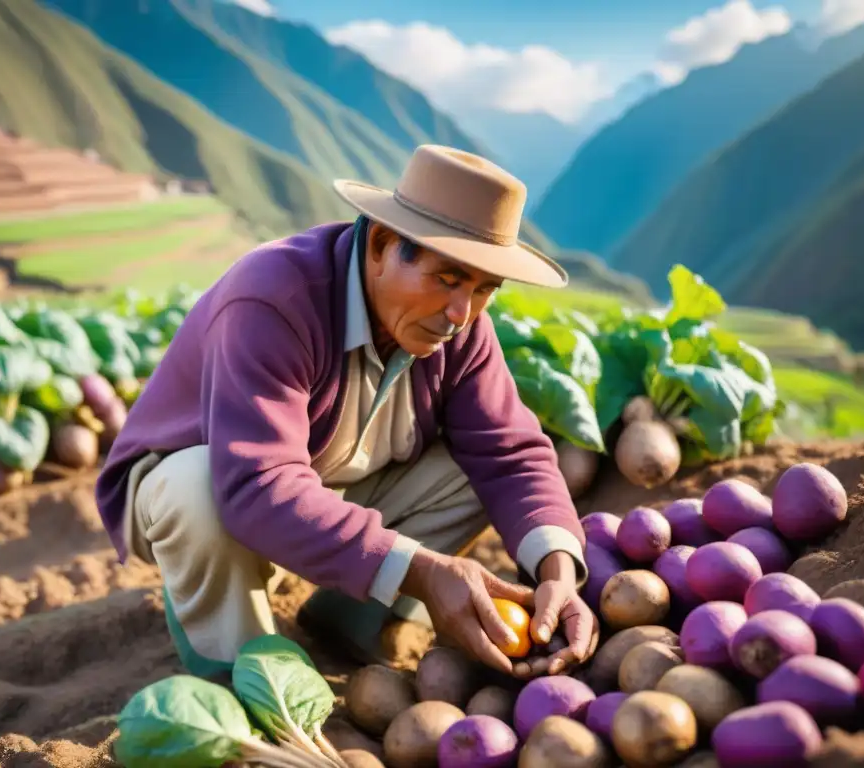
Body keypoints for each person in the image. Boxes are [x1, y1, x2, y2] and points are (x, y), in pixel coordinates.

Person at [94, 144, 598, 682]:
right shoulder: (273, 298)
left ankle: (349, 619)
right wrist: (422, 572)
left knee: (471, 472)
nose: (461, 313)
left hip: (320, 477)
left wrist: (557, 570)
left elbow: (512, 454)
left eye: (484, 289)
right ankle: (236, 668)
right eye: (449, 279)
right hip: (203, 485)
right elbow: (256, 483)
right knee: (200, 489)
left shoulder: (462, 327)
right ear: (381, 245)